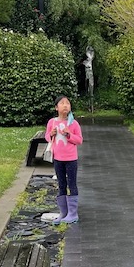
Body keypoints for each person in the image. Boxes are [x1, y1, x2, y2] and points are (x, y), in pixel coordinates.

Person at [46, 95, 83, 223]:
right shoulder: (52, 122)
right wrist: (51, 134)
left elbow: (79, 140)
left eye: (68, 103)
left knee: (72, 184)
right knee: (61, 184)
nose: (65, 105)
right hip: (58, 158)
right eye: (62, 103)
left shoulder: (73, 123)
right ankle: (63, 212)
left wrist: (69, 134)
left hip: (71, 159)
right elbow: (47, 136)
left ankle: (73, 214)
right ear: (56, 107)